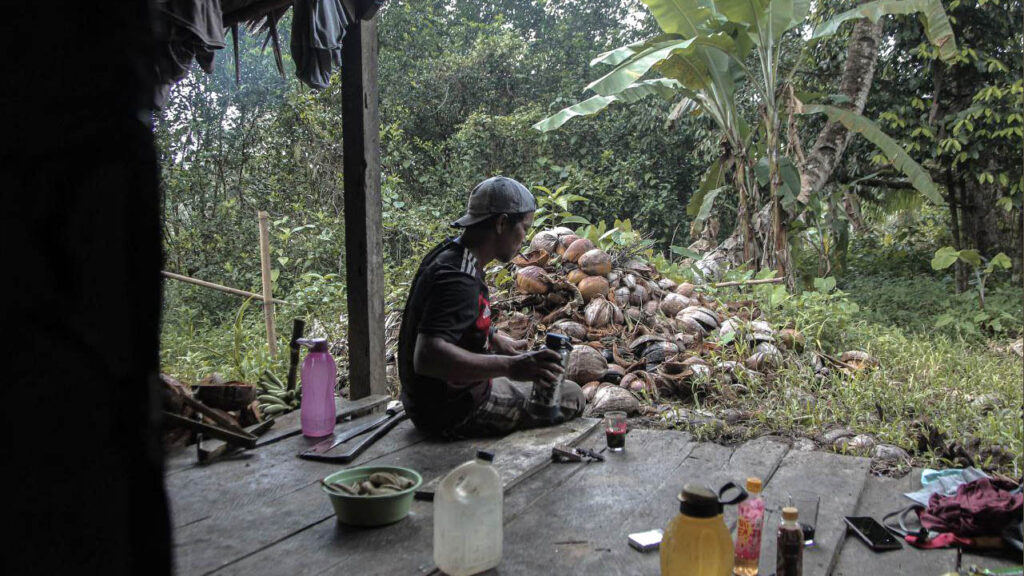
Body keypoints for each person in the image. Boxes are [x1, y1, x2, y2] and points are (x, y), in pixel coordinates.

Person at [397, 176, 586, 438]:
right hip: (451, 410)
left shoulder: (453, 255)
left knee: (539, 383)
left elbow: (447, 318)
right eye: (524, 228)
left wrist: (494, 338)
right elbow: (427, 357)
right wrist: (511, 367)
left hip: (428, 400)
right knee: (572, 395)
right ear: (501, 223)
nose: (525, 238)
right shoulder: (459, 278)